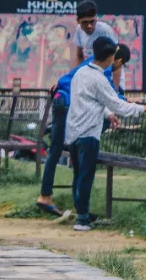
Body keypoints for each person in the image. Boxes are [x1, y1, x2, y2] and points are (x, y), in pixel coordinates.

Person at [65, 37, 146, 231]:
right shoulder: (99, 79)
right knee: (86, 176)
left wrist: (108, 114)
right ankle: (81, 220)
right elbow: (117, 104)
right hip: (88, 134)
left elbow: (91, 101)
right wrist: (142, 109)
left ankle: (82, 212)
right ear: (111, 57)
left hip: (74, 132)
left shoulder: (81, 73)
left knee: (78, 175)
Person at [37, 43, 131, 217]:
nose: (119, 67)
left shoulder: (90, 62)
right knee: (84, 146)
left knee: (55, 150)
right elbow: (108, 96)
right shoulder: (104, 70)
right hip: (68, 104)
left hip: (59, 99)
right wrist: (124, 102)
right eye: (121, 64)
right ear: (115, 59)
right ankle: (80, 210)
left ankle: (45, 195)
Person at [74, 0, 121, 91]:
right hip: (91, 77)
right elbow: (79, 56)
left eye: (92, 21)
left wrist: (116, 90)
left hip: (110, 78)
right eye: (85, 22)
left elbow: (117, 61)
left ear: (96, 17)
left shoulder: (106, 31)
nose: (89, 26)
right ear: (78, 20)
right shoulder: (78, 30)